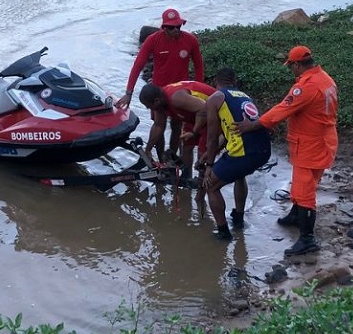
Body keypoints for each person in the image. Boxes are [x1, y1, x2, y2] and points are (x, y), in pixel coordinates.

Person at [235, 46, 338, 255]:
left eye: (291, 66)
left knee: (304, 191)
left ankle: (307, 239)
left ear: (297, 64)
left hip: (310, 144)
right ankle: (294, 215)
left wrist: (253, 125)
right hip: (323, 139)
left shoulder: (306, 87)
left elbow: (282, 109)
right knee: (305, 184)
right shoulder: (325, 78)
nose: (291, 70)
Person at [116, 8, 205, 175]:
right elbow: (138, 66)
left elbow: (199, 66)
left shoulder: (190, 40)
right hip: (158, 92)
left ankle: (172, 156)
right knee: (159, 124)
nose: (176, 30)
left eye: (178, 26)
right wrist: (128, 93)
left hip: (181, 92)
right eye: (171, 27)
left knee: (177, 124)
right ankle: (159, 158)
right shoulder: (152, 40)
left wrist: (197, 89)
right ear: (164, 27)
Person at [202, 67, 271, 240]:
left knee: (211, 186)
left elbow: (211, 137)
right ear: (234, 82)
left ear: (215, 83)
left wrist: (209, 165)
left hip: (244, 152)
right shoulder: (244, 96)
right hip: (264, 150)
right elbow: (227, 134)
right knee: (239, 174)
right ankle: (238, 219)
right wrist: (213, 154)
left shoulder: (215, 98)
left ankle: (223, 232)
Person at [138, 81, 215, 164]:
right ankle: (185, 175)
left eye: (148, 106)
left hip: (212, 113)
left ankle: (204, 175)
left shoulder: (176, 98)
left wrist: (194, 132)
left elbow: (204, 109)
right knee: (186, 146)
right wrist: (148, 149)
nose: (148, 108)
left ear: (156, 101)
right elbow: (158, 126)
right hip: (194, 114)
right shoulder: (160, 102)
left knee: (202, 151)